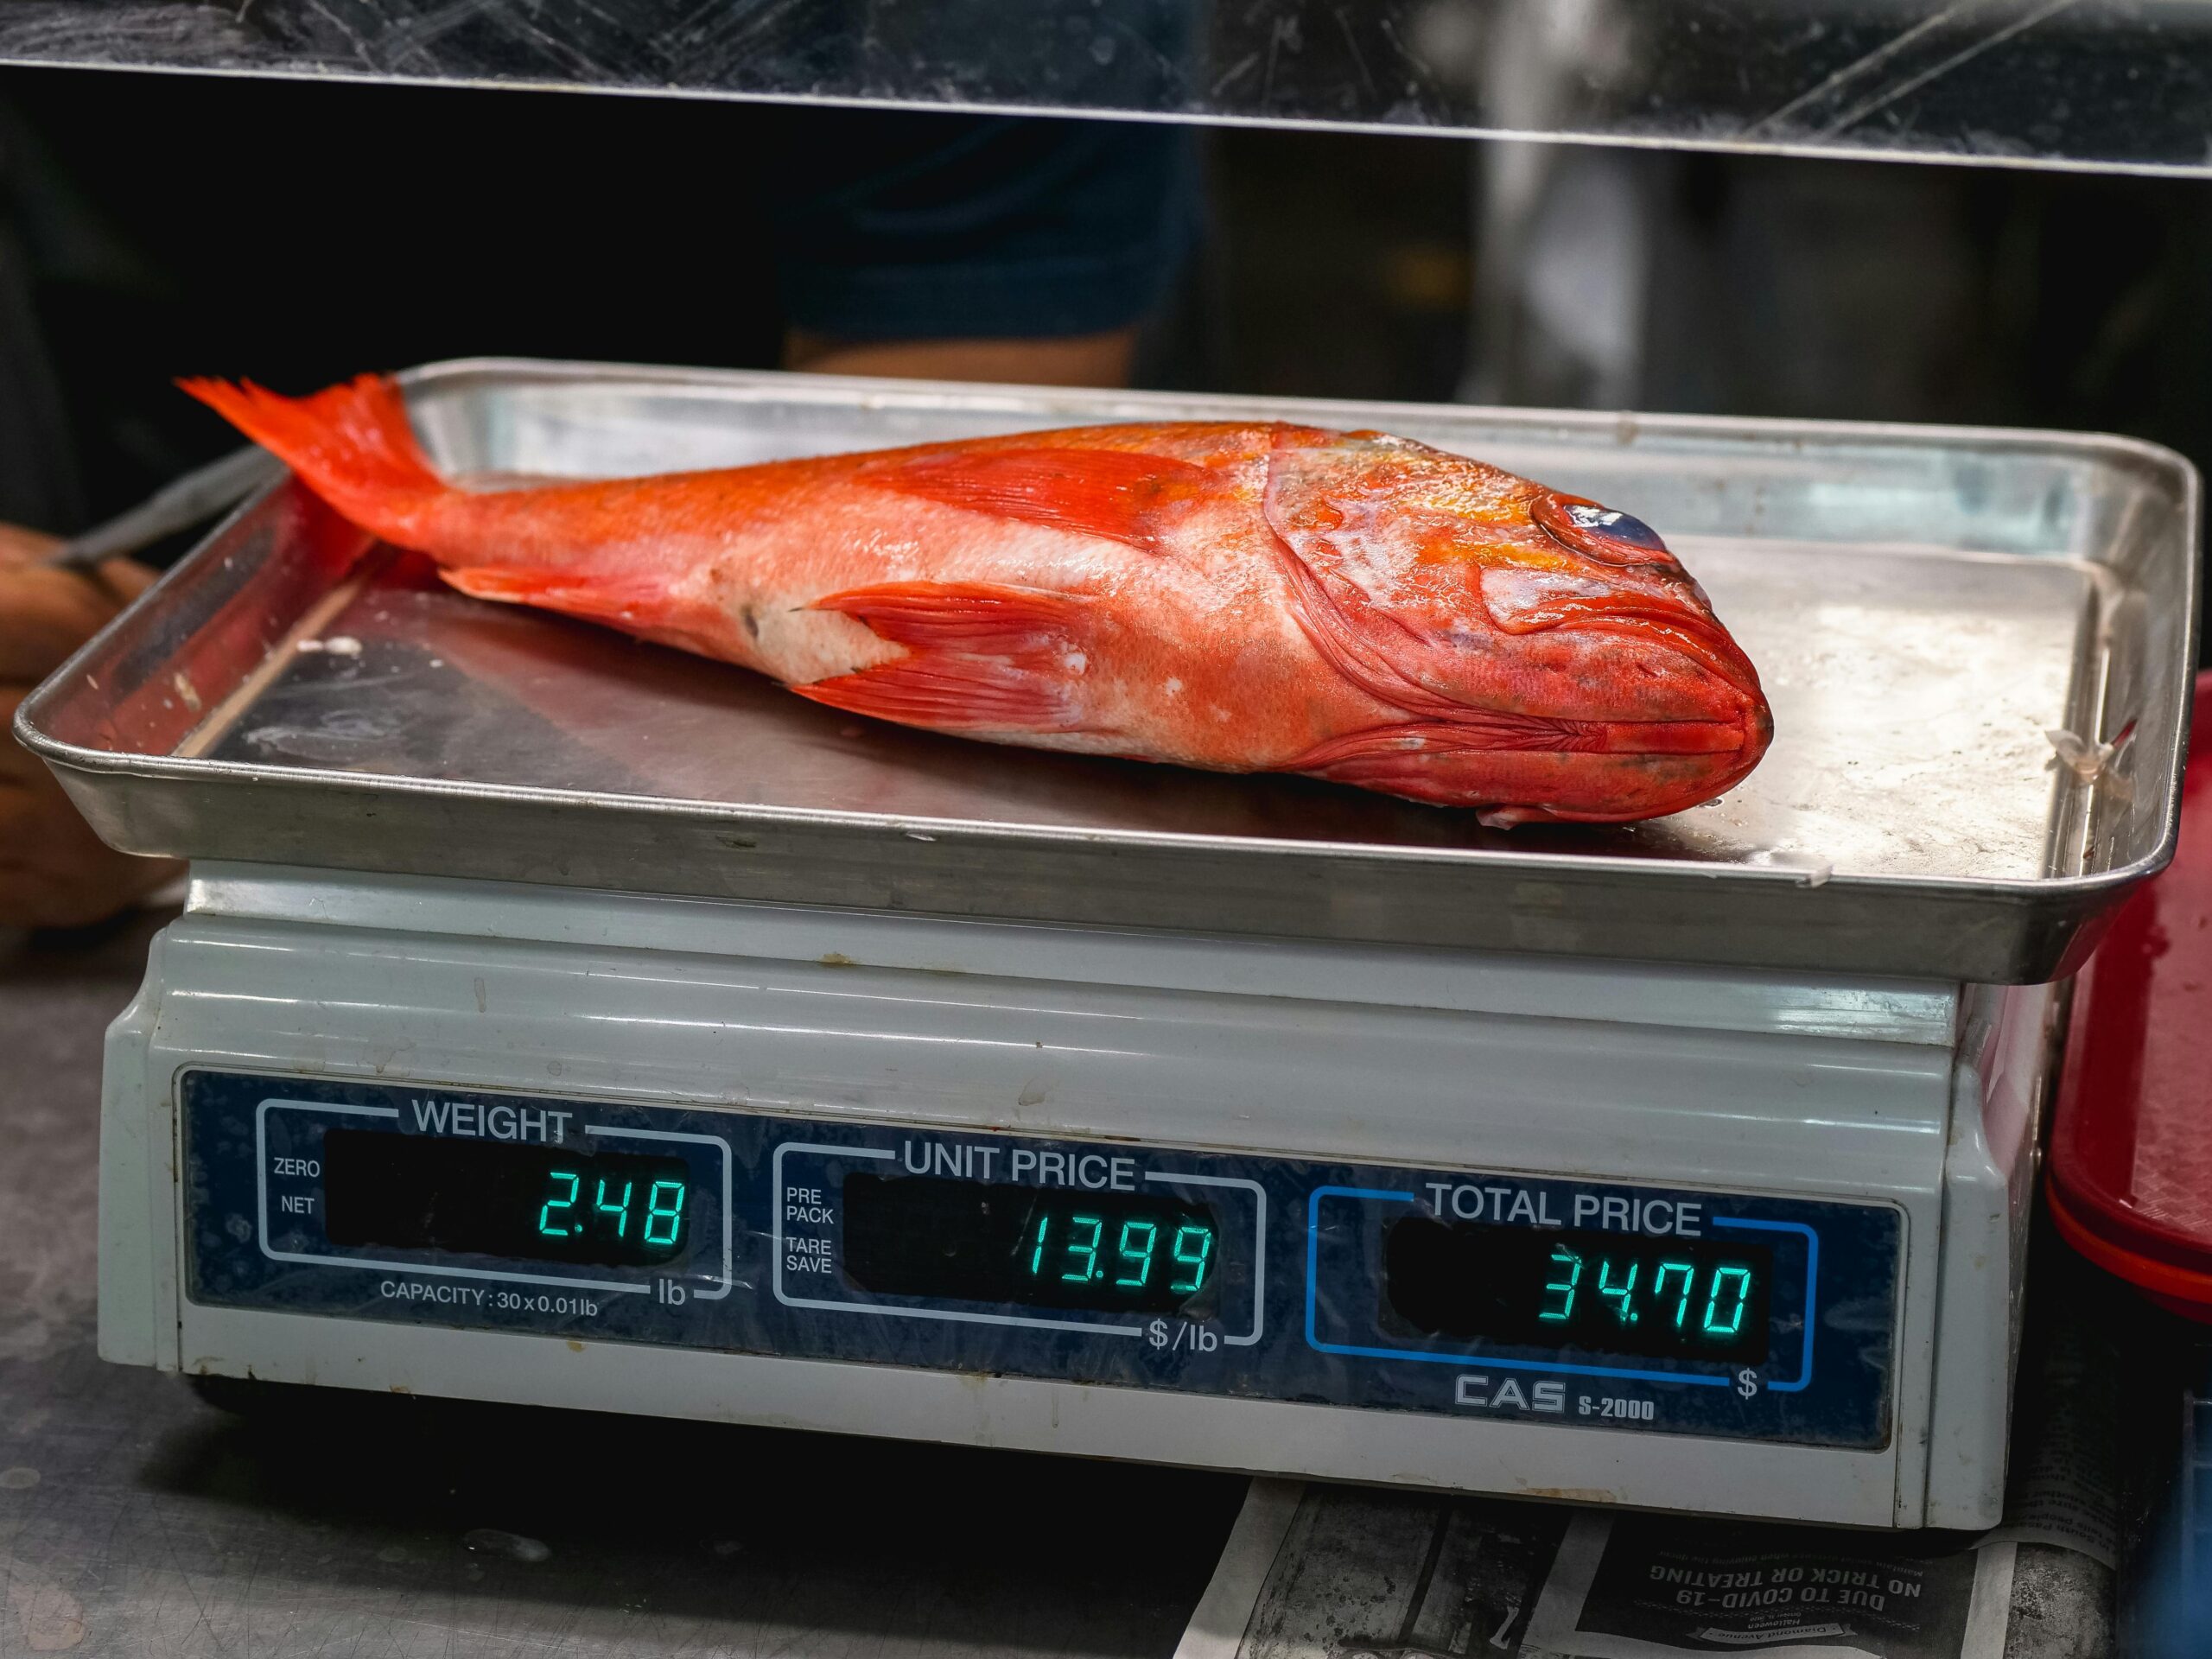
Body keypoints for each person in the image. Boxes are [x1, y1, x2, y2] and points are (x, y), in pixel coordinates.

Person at [0, 99, 1200, 929]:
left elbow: (950, 398)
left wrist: (206, 782)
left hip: (685, 585)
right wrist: (118, 711)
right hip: (110, 462)